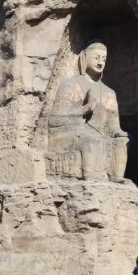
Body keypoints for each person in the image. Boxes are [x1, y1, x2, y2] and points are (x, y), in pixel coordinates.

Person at [48, 41, 128, 181]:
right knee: (91, 140)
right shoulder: (71, 84)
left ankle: (115, 177)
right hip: (70, 133)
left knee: (121, 142)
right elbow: (55, 119)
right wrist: (84, 109)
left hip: (98, 134)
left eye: (104, 59)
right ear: (84, 57)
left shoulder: (109, 93)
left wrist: (117, 132)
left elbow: (113, 125)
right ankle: (92, 177)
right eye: (96, 58)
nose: (100, 63)